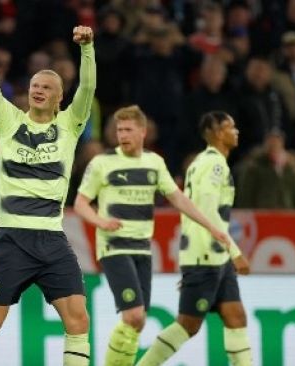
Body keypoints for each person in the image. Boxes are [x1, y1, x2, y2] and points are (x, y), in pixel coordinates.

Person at [0, 9, 95, 366]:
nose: (38, 90)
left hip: (51, 239)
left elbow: (88, 87)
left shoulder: (70, 124)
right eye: (34, 86)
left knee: (78, 320)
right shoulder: (6, 121)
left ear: (60, 97)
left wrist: (87, 49)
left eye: (46, 87)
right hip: (12, 238)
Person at [73, 105, 232, 366]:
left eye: (128, 129)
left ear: (143, 132)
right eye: (119, 129)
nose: (122, 134)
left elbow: (178, 198)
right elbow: (80, 203)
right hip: (115, 247)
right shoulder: (103, 163)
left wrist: (211, 226)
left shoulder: (154, 163)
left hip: (142, 249)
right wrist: (100, 221)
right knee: (134, 316)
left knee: (136, 322)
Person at [137, 111, 251, 366]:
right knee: (188, 325)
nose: (236, 131)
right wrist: (235, 252)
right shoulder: (214, 165)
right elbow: (207, 212)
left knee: (236, 317)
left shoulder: (203, 163)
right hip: (208, 256)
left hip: (212, 257)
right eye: (230, 127)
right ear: (215, 132)